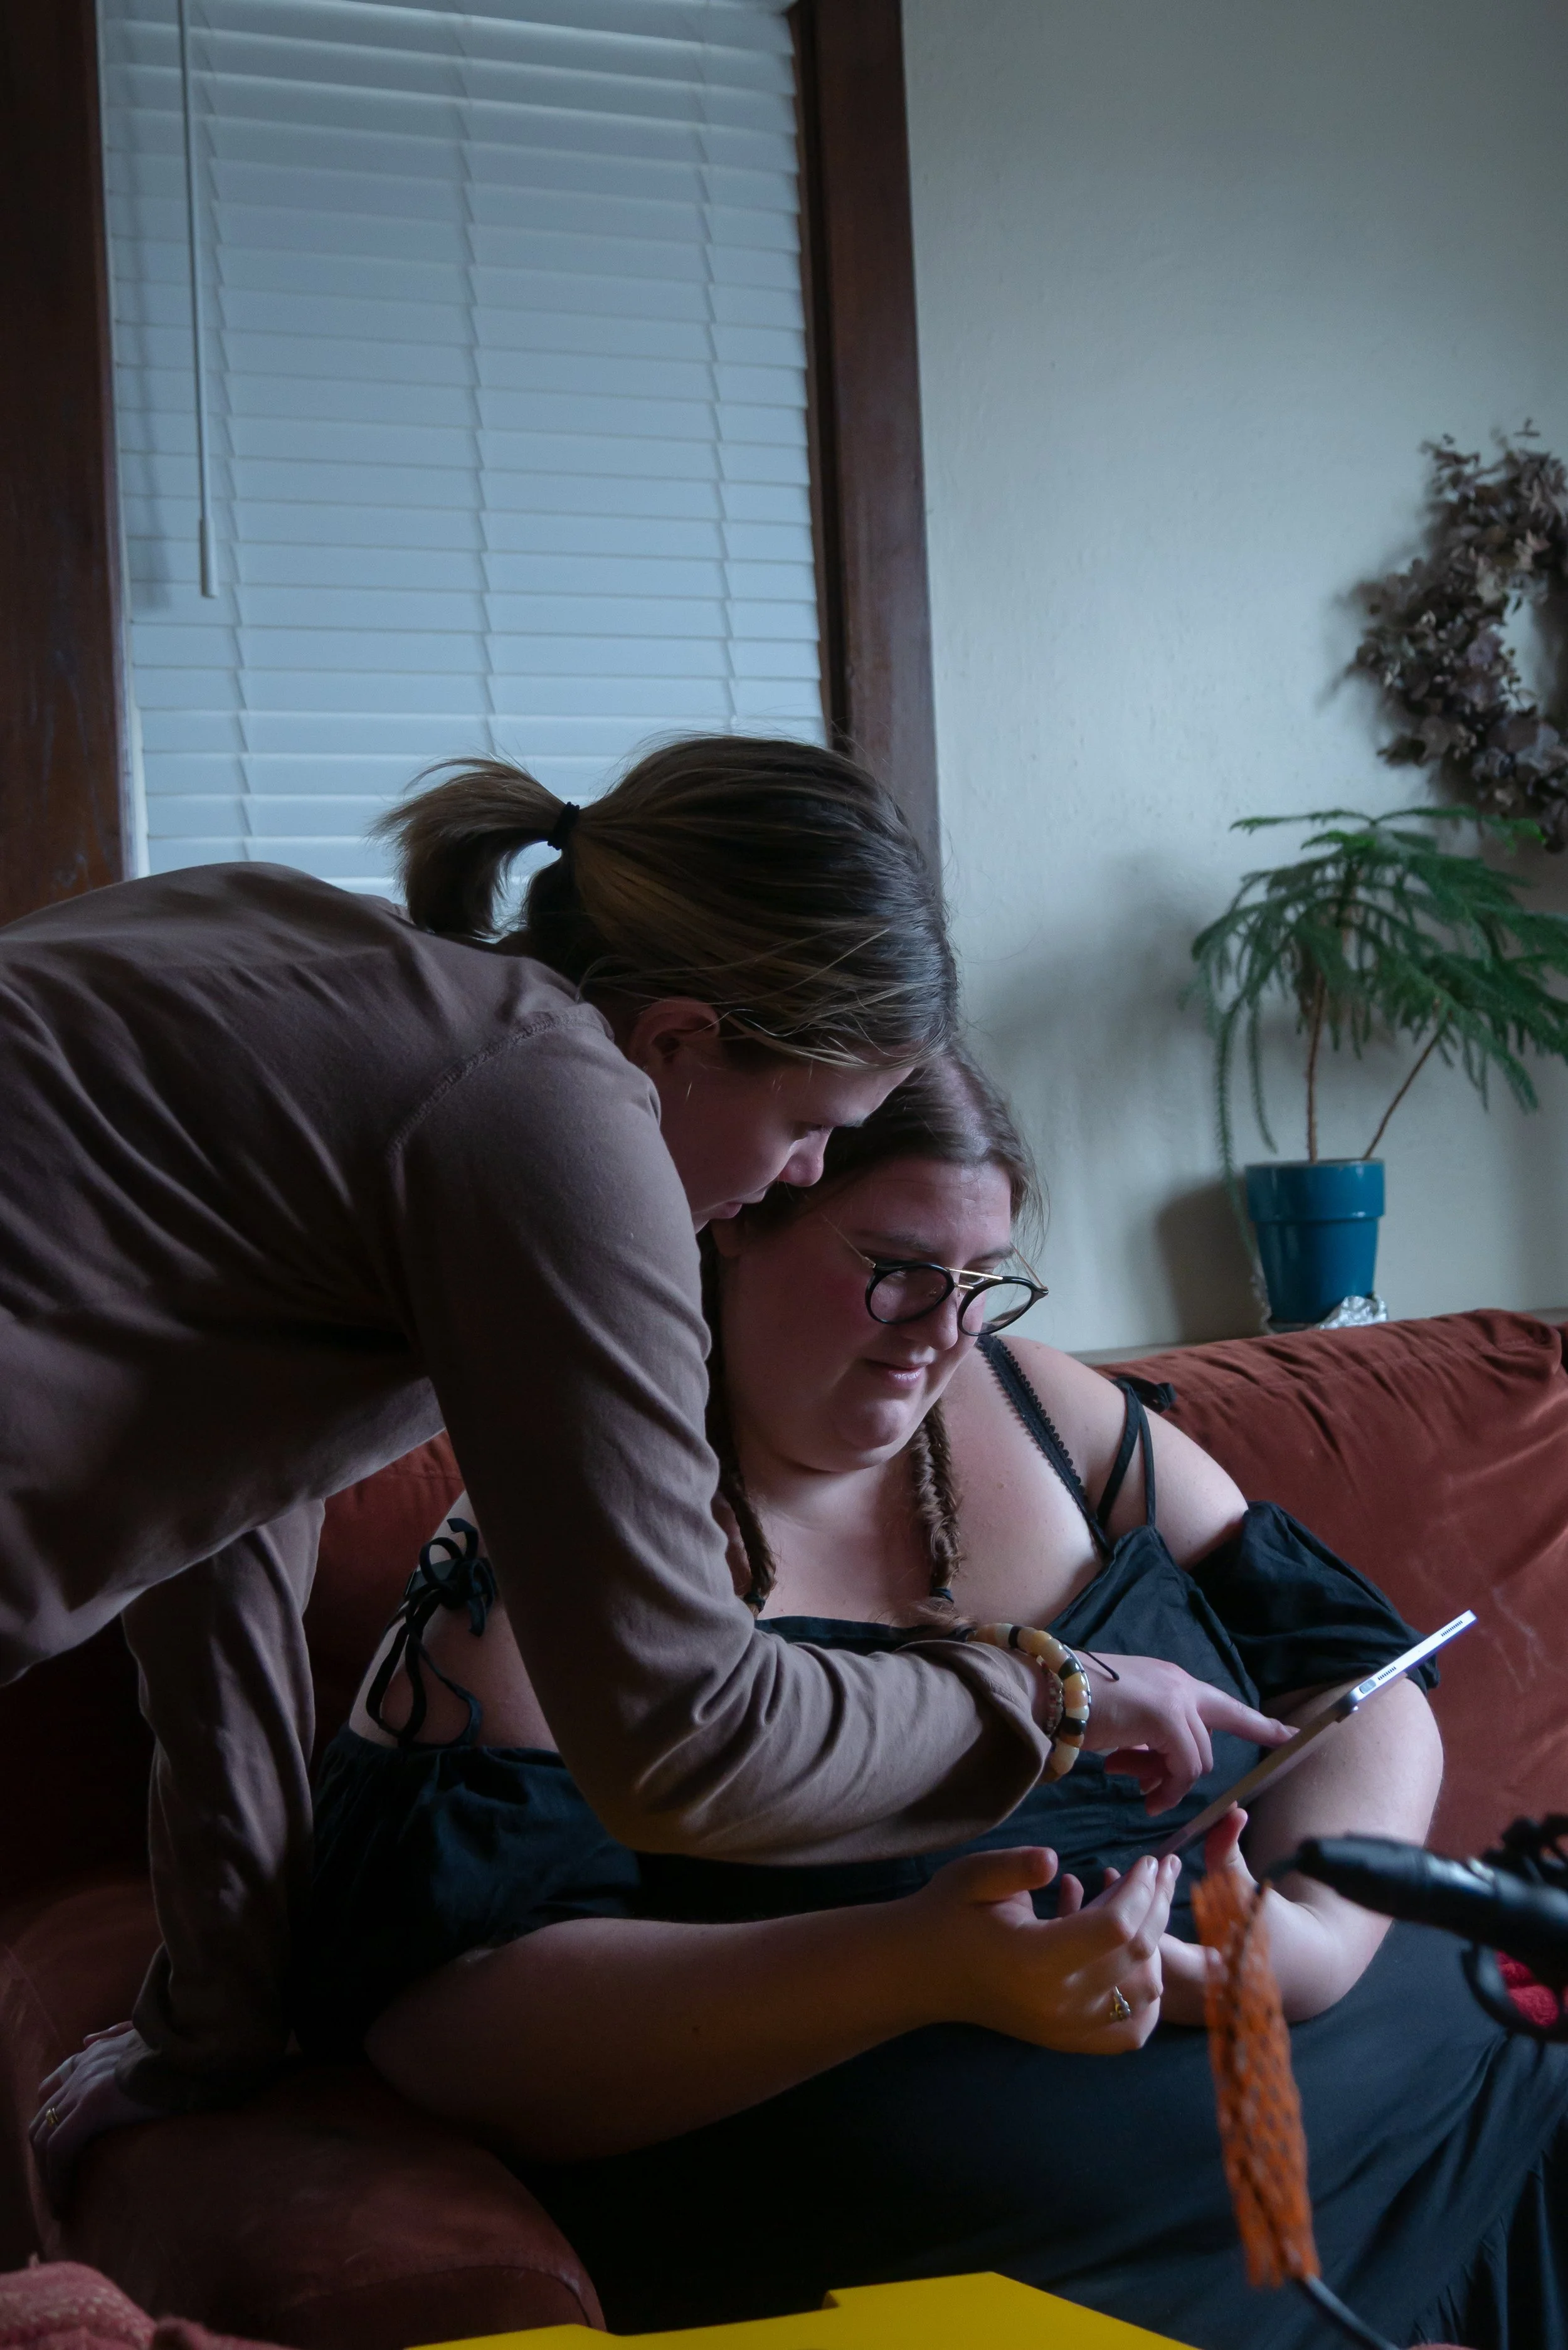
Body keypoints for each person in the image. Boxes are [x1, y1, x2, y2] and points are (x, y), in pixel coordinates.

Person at [11, 737, 1266, 2192]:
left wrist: (213, 2031)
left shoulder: (315, 970)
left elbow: (215, 1525)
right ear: (675, 1042)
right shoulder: (552, 1110)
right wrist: (1053, 1689)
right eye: (810, 1127)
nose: (800, 1177)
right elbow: (682, 1736)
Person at [294, 1052, 1568, 2350]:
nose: (942, 1331)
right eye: (894, 1267)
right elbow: (444, 2027)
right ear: (737, 1219)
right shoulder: (569, 1516)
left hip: (1291, 2025)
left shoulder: (1035, 1402)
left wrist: (1306, 1941)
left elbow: (1358, 1675)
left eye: (980, 1281)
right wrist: (918, 1964)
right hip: (942, 2166)